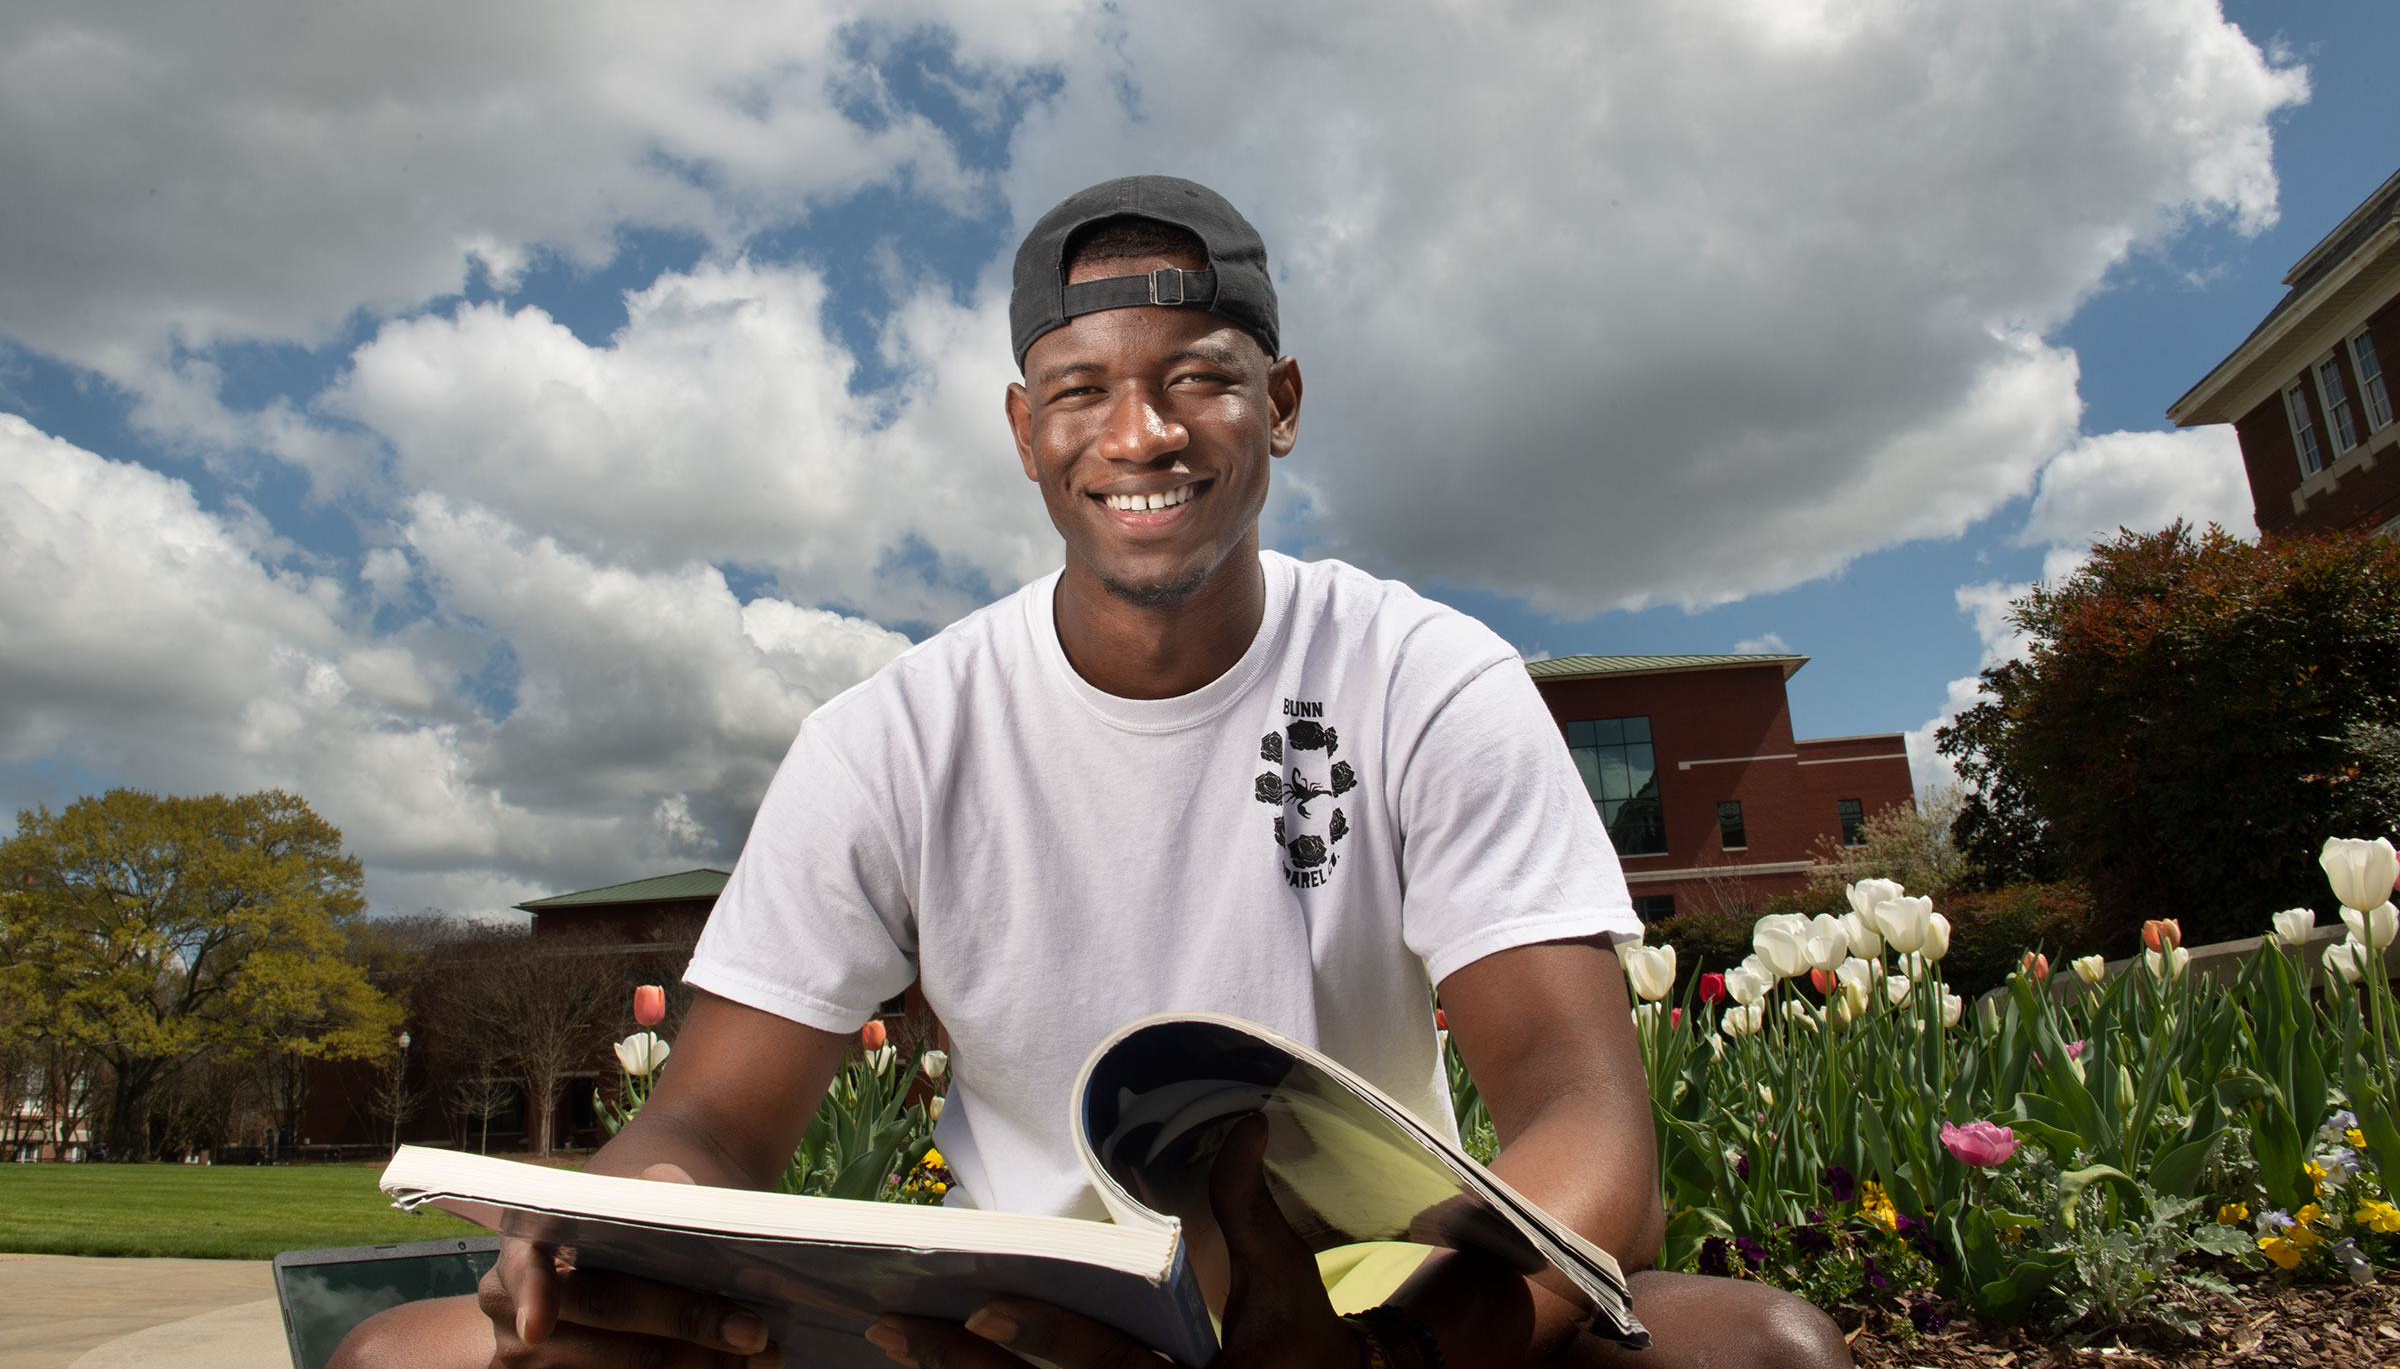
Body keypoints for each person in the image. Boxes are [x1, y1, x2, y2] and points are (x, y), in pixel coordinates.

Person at [333, 176, 1849, 1369]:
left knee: (1761, 1349)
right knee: (406, 1352)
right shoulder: (893, 735)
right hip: (1013, 1331)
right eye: (1080, 389)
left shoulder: (1423, 676)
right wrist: (631, 1224)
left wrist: (1394, 1351)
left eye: (1200, 377)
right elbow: (714, 1123)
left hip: (1361, 1306)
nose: (1140, 434)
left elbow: (1593, 1130)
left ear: (1286, 404)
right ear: (1022, 429)